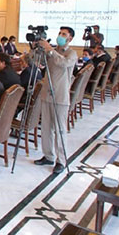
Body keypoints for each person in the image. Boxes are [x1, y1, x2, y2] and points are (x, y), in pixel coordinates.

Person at [34, 27, 77, 174]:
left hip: (60, 96)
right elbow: (39, 63)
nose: (60, 36)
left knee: (60, 129)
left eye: (64, 34)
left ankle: (61, 160)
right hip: (47, 93)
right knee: (46, 128)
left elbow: (63, 63)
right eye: (59, 33)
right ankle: (48, 155)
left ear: (70, 38)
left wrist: (50, 50)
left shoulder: (71, 53)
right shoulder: (51, 50)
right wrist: (37, 50)